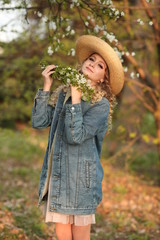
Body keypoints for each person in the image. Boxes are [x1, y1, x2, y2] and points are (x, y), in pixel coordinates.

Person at [31, 35, 124, 240]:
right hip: (60, 174)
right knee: (62, 233)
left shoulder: (101, 105)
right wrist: (47, 85)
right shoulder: (64, 92)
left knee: (80, 235)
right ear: (83, 62)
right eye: (92, 59)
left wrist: (76, 98)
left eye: (100, 65)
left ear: (102, 78)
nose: (93, 64)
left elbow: (76, 136)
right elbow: (39, 122)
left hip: (82, 181)